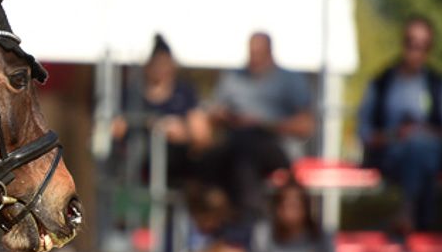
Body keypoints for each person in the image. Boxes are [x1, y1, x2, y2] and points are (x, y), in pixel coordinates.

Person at [357, 15, 442, 233]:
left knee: (420, 147)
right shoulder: (382, 83)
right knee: (418, 152)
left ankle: (408, 213)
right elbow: (364, 132)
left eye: (423, 46)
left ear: (429, 49)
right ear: (403, 43)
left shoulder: (438, 86)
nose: (416, 51)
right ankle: (422, 223)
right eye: (411, 43)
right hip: (391, 155)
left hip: (430, 153)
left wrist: (423, 132)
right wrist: (395, 135)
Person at [203, 32, 314, 221]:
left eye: (258, 54)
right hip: (236, 144)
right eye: (251, 53)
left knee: (246, 149)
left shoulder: (290, 80)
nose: (253, 59)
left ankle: (248, 217)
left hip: (275, 146)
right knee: (216, 156)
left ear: (270, 53)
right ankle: (215, 216)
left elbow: (306, 126)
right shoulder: (232, 78)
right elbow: (212, 114)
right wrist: (224, 117)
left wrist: (263, 123)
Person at [111, 33, 211, 186]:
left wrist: (181, 132)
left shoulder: (185, 93)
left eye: (164, 63)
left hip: (176, 168)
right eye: (156, 63)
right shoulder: (131, 95)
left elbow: (202, 135)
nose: (160, 68)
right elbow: (114, 129)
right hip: (138, 167)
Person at [250, 176, 341, 252]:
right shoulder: (263, 233)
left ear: (306, 208)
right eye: (285, 206)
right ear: (277, 209)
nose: (290, 212)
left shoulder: (321, 235)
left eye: (295, 206)